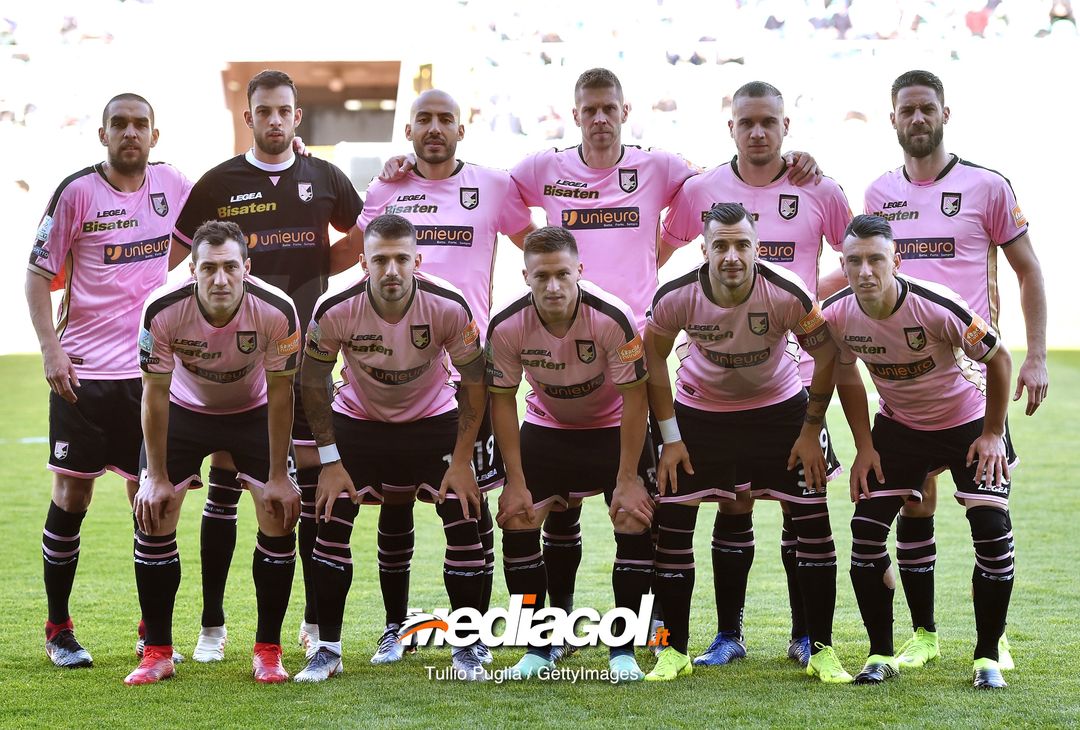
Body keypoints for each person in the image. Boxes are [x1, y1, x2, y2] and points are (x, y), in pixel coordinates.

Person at [171, 69, 364, 661]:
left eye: (285, 110)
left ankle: (306, 620)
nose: (275, 120)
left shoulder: (325, 176)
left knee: (299, 492)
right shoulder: (218, 181)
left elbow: (360, 238)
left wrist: (314, 269)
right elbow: (180, 257)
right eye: (264, 111)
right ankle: (211, 625)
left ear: (296, 117)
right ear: (248, 117)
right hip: (237, 362)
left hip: (304, 357)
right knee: (225, 490)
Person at [660, 80, 852, 667]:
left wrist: (796, 306)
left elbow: (863, 255)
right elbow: (659, 249)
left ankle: (807, 638)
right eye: (748, 122)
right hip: (715, 378)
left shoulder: (818, 186)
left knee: (803, 506)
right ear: (732, 127)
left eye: (770, 121)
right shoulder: (701, 190)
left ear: (786, 126)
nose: (759, 132)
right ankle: (728, 635)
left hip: (791, 377)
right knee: (731, 503)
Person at [862, 69, 1045, 671]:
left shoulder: (986, 187)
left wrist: (1037, 356)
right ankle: (924, 635)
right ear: (892, 119)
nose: (917, 119)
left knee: (987, 516)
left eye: (926, 109)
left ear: (944, 113)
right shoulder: (879, 193)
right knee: (916, 505)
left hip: (970, 384)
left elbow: (1028, 271)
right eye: (906, 110)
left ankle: (993, 641)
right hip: (905, 387)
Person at [357, 89, 533, 665]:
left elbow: (536, 244)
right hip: (395, 371)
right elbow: (359, 252)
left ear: (463, 127)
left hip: (469, 372)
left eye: (445, 120)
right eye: (424, 120)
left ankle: (471, 635)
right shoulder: (387, 187)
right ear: (408, 130)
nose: (435, 128)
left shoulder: (496, 186)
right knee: (395, 501)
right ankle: (393, 628)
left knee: (470, 504)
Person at [25, 92, 191, 668]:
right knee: (72, 495)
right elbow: (36, 275)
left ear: (154, 134)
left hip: (150, 377)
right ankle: (58, 628)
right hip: (83, 377)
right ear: (102, 134)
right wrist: (51, 350)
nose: (130, 133)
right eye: (118, 124)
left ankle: (153, 631)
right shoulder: (77, 192)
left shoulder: (174, 185)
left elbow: (195, 233)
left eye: (140, 124)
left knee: (153, 500)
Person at [820, 214, 1015, 689]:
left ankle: (988, 656)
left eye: (875, 259)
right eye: (854, 261)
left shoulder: (936, 306)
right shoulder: (838, 313)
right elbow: (845, 374)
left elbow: (1000, 358)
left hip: (968, 423)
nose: (865, 271)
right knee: (865, 533)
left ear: (896, 261)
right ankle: (881, 653)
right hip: (901, 427)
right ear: (843, 266)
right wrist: (864, 447)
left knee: (990, 529)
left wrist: (992, 433)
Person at [294, 214, 489, 682]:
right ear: (363, 263)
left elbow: (476, 380)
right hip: (360, 422)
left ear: (417, 261)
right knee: (329, 517)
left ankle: (466, 646)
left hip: (433, 421)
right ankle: (328, 650)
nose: (392, 270)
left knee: (465, 519)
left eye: (402, 259)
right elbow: (313, 378)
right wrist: (330, 460)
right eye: (380, 260)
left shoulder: (448, 306)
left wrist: (462, 462)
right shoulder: (335, 307)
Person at [125, 220, 301, 685]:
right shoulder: (161, 309)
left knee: (278, 512)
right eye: (209, 269)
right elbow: (154, 394)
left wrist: (281, 476)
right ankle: (157, 651)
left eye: (229, 268)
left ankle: (268, 650)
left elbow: (283, 394)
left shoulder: (277, 310)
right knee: (155, 510)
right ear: (193, 269)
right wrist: (156, 475)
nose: (220, 279)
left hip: (253, 409)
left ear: (247, 267)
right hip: (184, 409)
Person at [487, 227, 654, 681]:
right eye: (542, 276)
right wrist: (514, 482)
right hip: (548, 426)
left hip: (613, 428)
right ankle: (539, 645)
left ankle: (624, 650)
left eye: (563, 273)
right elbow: (501, 401)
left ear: (580, 270)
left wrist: (627, 479)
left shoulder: (610, 317)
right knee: (520, 517)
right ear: (525, 276)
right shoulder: (506, 325)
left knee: (632, 516)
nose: (554, 286)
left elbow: (637, 398)